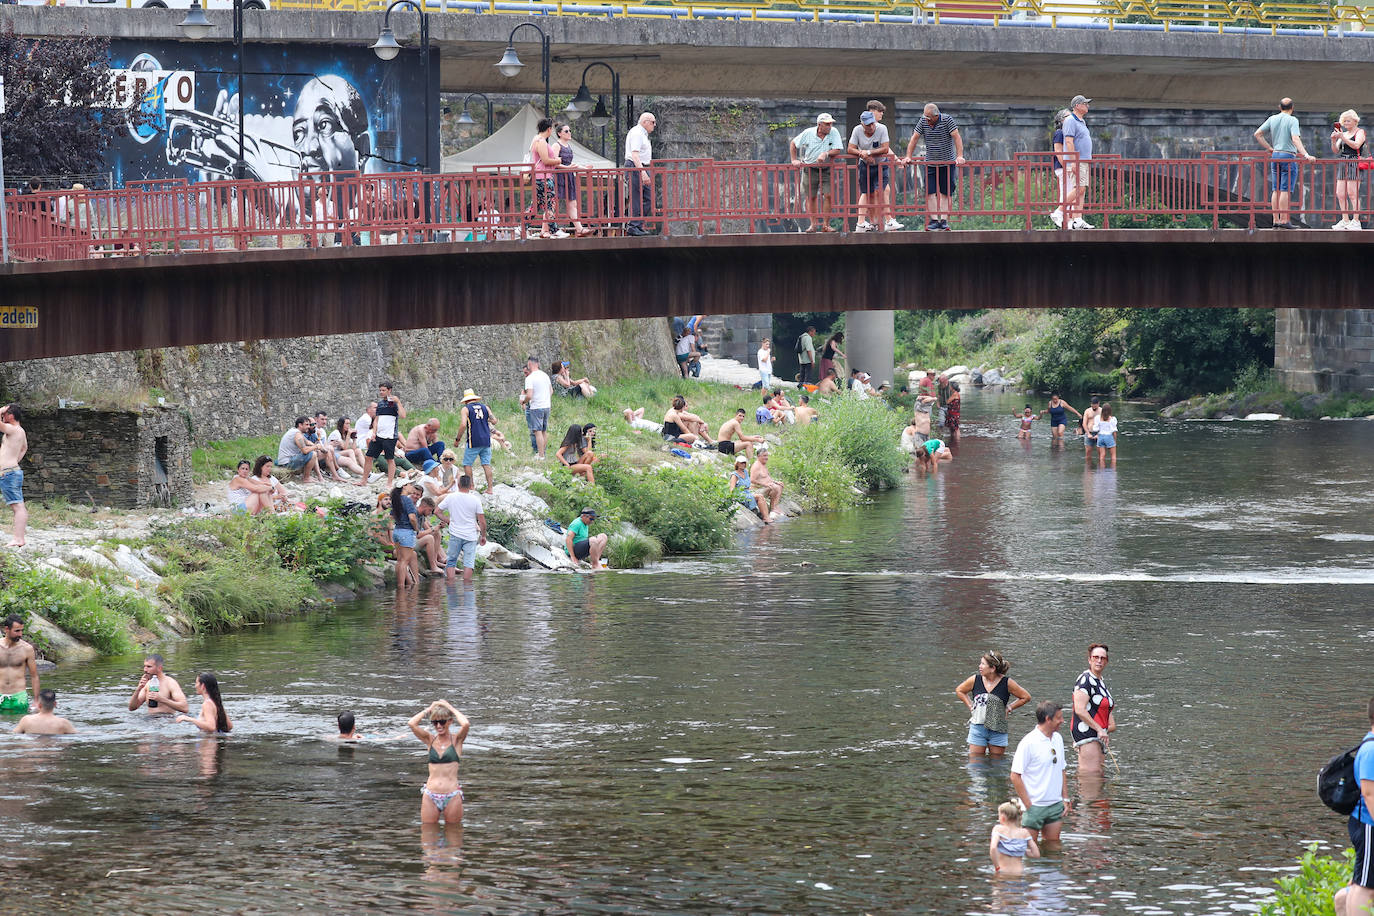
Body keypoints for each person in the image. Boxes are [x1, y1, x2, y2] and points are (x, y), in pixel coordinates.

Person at [1009, 700, 1071, 847]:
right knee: (1029, 849)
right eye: (1059, 718)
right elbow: (1015, 776)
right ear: (1048, 719)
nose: (1062, 721)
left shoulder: (1058, 738)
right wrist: (1028, 806)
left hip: (1055, 805)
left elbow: (1061, 769)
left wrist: (1065, 799)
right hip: (1034, 806)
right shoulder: (1028, 742)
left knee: (1053, 847)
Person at [1334, 697, 1374, 916]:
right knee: (1366, 887)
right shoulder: (1371, 750)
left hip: (1367, 823)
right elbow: (1369, 793)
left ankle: (1342, 903)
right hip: (1369, 824)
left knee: (1363, 882)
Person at [955, 651, 1032, 758]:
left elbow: (1026, 697)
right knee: (975, 763)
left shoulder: (1007, 682)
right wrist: (970, 705)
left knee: (997, 763)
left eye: (983, 664)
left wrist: (1009, 708)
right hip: (978, 727)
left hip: (998, 729)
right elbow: (960, 690)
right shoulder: (975, 680)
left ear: (992, 668)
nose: (979, 666)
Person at [1254, 98, 1317, 230]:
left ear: (1279, 107)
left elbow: (1258, 134)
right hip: (1288, 156)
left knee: (1275, 189)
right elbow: (1295, 138)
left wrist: (1270, 148)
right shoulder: (1292, 120)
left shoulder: (1272, 119)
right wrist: (1306, 155)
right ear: (1292, 108)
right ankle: (1284, 220)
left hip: (1275, 155)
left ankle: (1276, 220)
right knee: (1285, 190)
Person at [904, 102, 965, 232]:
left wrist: (959, 156)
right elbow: (914, 138)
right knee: (930, 192)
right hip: (930, 163)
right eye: (925, 117)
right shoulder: (923, 121)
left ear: (936, 115)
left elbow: (957, 137)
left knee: (945, 193)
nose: (926, 120)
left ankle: (943, 220)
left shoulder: (947, 120)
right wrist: (908, 156)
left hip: (947, 162)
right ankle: (934, 220)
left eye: (929, 118)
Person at [408, 699, 470, 823]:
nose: (438, 726)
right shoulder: (429, 739)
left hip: (452, 794)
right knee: (428, 832)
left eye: (442, 722)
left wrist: (450, 708)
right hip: (430, 794)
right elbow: (411, 723)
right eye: (435, 722)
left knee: (454, 832)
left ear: (450, 721)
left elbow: (466, 724)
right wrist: (428, 709)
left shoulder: (457, 740)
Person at [789, 113, 843, 232]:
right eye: (827, 124)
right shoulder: (808, 133)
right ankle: (813, 224)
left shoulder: (834, 132)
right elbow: (793, 143)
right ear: (819, 125)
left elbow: (838, 149)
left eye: (831, 124)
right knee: (811, 196)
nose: (829, 126)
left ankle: (825, 225)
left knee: (828, 195)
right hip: (810, 168)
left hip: (826, 168)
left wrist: (826, 153)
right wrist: (794, 160)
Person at [1071, 643, 1116, 775]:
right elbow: (1080, 710)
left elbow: (1107, 715)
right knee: (1090, 776)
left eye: (1103, 658)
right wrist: (1100, 729)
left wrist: (1104, 730)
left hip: (1097, 736)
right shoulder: (1085, 679)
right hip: (1088, 735)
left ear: (1106, 662)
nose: (1099, 661)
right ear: (1089, 659)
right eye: (1096, 657)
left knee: (1098, 775)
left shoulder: (1099, 681)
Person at [437, 474, 486, 586]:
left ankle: (450, 586)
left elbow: (437, 511)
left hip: (455, 534)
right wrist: (483, 536)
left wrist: (448, 520)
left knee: (451, 561)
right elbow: (482, 521)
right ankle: (467, 587)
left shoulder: (451, 497)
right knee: (469, 563)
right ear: (470, 486)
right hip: (470, 535)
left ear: (458, 485)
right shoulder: (475, 500)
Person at [848, 111, 891, 232]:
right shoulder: (857, 130)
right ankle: (868, 222)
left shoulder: (882, 128)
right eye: (868, 125)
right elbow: (850, 148)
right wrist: (862, 154)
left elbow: (885, 148)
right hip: (865, 165)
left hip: (880, 164)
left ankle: (886, 220)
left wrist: (868, 152)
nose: (871, 127)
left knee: (880, 191)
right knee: (867, 193)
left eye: (872, 124)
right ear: (862, 125)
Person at [1061, 94, 1095, 230]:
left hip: (1083, 160)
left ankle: (1078, 219)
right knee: (1079, 188)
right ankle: (1059, 211)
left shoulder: (1081, 121)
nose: (1087, 106)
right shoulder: (1070, 120)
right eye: (1085, 103)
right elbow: (1069, 141)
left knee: (1082, 189)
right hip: (1077, 160)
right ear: (1077, 106)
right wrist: (1073, 161)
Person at [529, 117, 566, 239]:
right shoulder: (541, 141)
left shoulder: (536, 139)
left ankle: (522, 227)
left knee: (536, 205)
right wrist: (558, 160)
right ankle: (554, 230)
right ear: (549, 129)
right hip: (544, 177)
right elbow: (545, 160)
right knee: (550, 204)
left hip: (540, 177)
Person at [552, 124, 592, 236]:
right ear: (559, 133)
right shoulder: (556, 145)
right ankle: (547, 229)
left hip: (568, 176)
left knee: (572, 203)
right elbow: (554, 163)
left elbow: (571, 164)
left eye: (570, 130)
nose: (569, 132)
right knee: (553, 204)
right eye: (566, 131)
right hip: (559, 176)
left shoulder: (568, 146)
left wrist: (585, 169)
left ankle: (579, 229)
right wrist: (567, 168)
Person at [455, 389, 497, 493]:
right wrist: (484, 419)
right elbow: (494, 421)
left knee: (467, 464)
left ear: (466, 400)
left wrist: (457, 439)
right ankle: (490, 488)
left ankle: (471, 487)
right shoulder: (485, 407)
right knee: (486, 464)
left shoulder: (466, 409)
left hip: (473, 440)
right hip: (486, 439)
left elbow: (463, 425)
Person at [1331, 110, 1366, 230]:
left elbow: (1356, 145)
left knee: (1352, 193)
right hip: (1343, 162)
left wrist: (1343, 138)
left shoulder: (1360, 132)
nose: (1346, 123)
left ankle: (1356, 220)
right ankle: (1345, 220)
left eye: (1348, 121)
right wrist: (1334, 140)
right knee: (1340, 193)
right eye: (1344, 121)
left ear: (1355, 121)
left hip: (1354, 162)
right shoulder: (1344, 134)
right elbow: (1336, 150)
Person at [0, 404, 28, 548]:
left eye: (4, 414)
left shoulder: (13, 429)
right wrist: (14, 461)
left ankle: (18, 539)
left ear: (10, 416)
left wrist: (0, 410)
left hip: (9, 473)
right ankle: (18, 538)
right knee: (18, 506)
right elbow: (24, 448)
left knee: (18, 506)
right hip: (11, 471)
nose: (2, 416)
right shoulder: (20, 431)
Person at [370, 382, 407, 489]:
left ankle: (389, 483)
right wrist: (374, 432)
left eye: (383, 390)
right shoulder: (380, 404)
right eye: (380, 390)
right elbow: (376, 420)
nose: (381, 392)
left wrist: (398, 402)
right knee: (368, 456)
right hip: (379, 435)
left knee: (390, 459)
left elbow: (403, 415)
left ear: (389, 390)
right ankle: (364, 479)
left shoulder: (394, 402)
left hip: (390, 436)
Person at [624, 112, 656, 236]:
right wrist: (642, 172)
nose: (654, 125)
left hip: (642, 166)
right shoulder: (637, 133)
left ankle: (637, 224)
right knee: (636, 197)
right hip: (636, 166)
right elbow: (635, 155)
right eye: (652, 122)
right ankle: (633, 225)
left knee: (649, 198)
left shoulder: (642, 134)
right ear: (645, 122)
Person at [989, 800, 1040, 877]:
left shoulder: (998, 829)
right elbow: (1036, 854)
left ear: (1002, 818)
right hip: (1019, 873)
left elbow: (993, 848)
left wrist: (997, 867)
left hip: (1003, 872)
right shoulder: (1024, 832)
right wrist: (1020, 849)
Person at [0, 616, 39, 715]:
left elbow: (34, 676)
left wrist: (36, 701)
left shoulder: (27, 649)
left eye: (22, 631)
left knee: (20, 722)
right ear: (6, 629)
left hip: (19, 697)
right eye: (17, 631)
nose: (20, 634)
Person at [390, 483, 421, 589]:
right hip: (406, 532)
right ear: (404, 486)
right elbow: (412, 518)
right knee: (404, 561)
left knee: (400, 561)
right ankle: (402, 588)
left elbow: (391, 517)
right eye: (410, 484)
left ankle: (400, 587)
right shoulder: (407, 500)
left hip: (397, 531)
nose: (412, 487)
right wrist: (416, 529)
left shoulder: (396, 500)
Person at [276, 416, 323, 483]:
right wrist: (316, 447)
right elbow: (304, 450)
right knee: (313, 454)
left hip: (286, 461)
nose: (309, 426)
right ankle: (306, 478)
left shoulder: (295, 431)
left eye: (309, 425)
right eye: (306, 424)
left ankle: (317, 476)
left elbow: (307, 442)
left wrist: (320, 447)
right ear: (300, 425)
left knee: (313, 451)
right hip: (287, 463)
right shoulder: (297, 434)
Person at [523, 356, 552, 459]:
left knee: (537, 431)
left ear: (529, 364)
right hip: (547, 406)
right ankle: (543, 453)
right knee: (544, 431)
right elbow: (551, 391)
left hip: (536, 407)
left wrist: (524, 401)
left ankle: (540, 455)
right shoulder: (545, 375)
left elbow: (529, 395)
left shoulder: (530, 378)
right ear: (538, 364)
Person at [727, 454, 768, 522]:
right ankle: (765, 518)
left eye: (744, 463)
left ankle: (765, 516)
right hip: (740, 494)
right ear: (737, 464)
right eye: (741, 463)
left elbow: (748, 485)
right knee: (759, 496)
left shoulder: (745, 472)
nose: (743, 464)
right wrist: (733, 498)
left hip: (747, 492)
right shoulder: (734, 475)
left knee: (761, 497)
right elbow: (732, 489)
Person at [1049, 109, 1070, 228]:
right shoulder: (1060, 132)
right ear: (1062, 120)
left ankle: (1066, 217)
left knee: (1069, 191)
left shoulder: (1066, 132)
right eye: (1068, 116)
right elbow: (1058, 151)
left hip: (1065, 166)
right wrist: (1066, 165)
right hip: (1063, 167)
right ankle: (1061, 215)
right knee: (1067, 192)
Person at [749, 449, 784, 521]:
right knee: (774, 487)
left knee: (780, 485)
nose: (766, 458)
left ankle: (775, 507)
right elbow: (752, 480)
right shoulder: (756, 466)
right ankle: (773, 508)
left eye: (767, 456)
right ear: (759, 456)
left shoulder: (763, 465)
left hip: (765, 488)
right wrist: (765, 484)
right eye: (764, 456)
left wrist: (776, 482)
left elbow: (767, 478)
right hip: (756, 490)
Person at [1095, 403, 1119, 468]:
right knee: (1113, 456)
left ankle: (1101, 470)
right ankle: (1113, 471)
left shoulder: (1098, 418)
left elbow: (1096, 429)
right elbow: (1114, 432)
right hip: (1109, 436)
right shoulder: (1112, 419)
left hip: (1100, 437)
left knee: (1102, 456)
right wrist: (1115, 441)